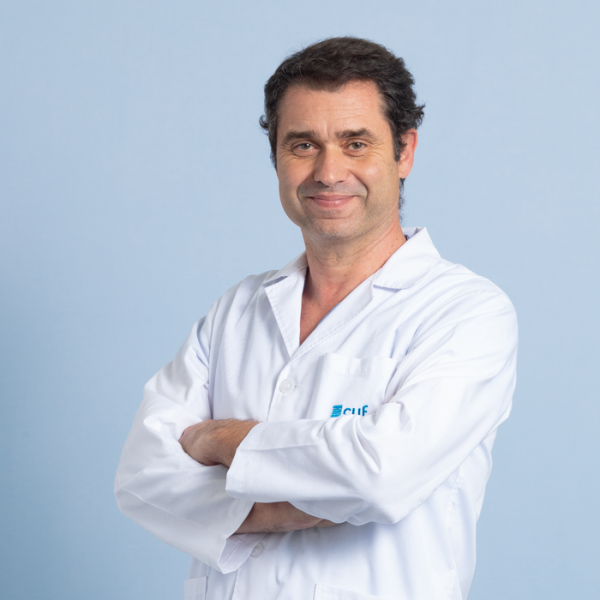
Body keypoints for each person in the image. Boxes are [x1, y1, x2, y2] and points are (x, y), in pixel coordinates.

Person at [115, 36, 517, 600]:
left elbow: (380, 474)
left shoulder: (464, 312)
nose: (329, 172)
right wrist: (278, 509)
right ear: (276, 157)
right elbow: (141, 476)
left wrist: (220, 438)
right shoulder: (237, 311)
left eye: (356, 143)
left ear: (404, 151)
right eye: (303, 145)